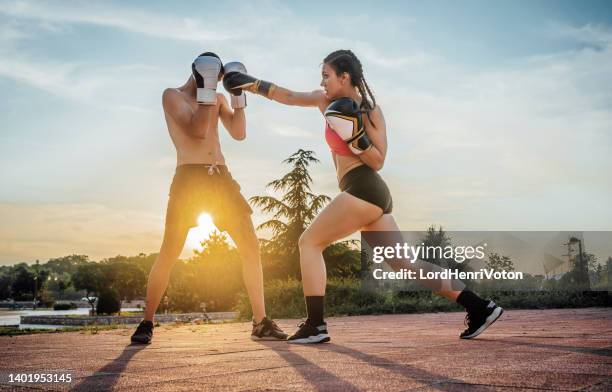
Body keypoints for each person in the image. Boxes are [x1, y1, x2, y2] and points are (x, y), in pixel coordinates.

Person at [223, 49, 503, 343]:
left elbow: (379, 159)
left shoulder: (370, 111)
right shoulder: (325, 101)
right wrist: (248, 83)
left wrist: (356, 137)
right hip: (367, 196)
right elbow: (289, 96)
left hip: (365, 187)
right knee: (406, 265)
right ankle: (479, 306)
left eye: (327, 76)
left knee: (309, 242)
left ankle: (315, 325)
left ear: (345, 77)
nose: (323, 82)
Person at [131, 52, 287, 344]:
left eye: (218, 81)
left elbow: (238, 133)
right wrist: (208, 88)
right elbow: (199, 131)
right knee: (169, 252)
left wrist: (238, 95)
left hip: (221, 177)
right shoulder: (172, 96)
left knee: (250, 247)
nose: (216, 85)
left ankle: (260, 321)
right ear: (198, 73)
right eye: (212, 79)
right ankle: (146, 323)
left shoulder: (216, 98)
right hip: (189, 179)